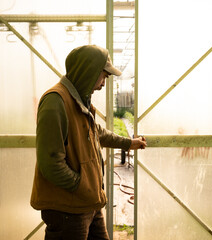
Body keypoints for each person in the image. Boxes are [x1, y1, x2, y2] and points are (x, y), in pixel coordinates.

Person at [30, 45, 147, 240]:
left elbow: (96, 132)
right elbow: (50, 164)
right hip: (68, 209)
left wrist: (129, 143)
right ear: (88, 71)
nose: (104, 82)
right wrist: (81, 184)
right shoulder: (55, 102)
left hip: (87, 203)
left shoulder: (80, 101)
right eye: (103, 75)